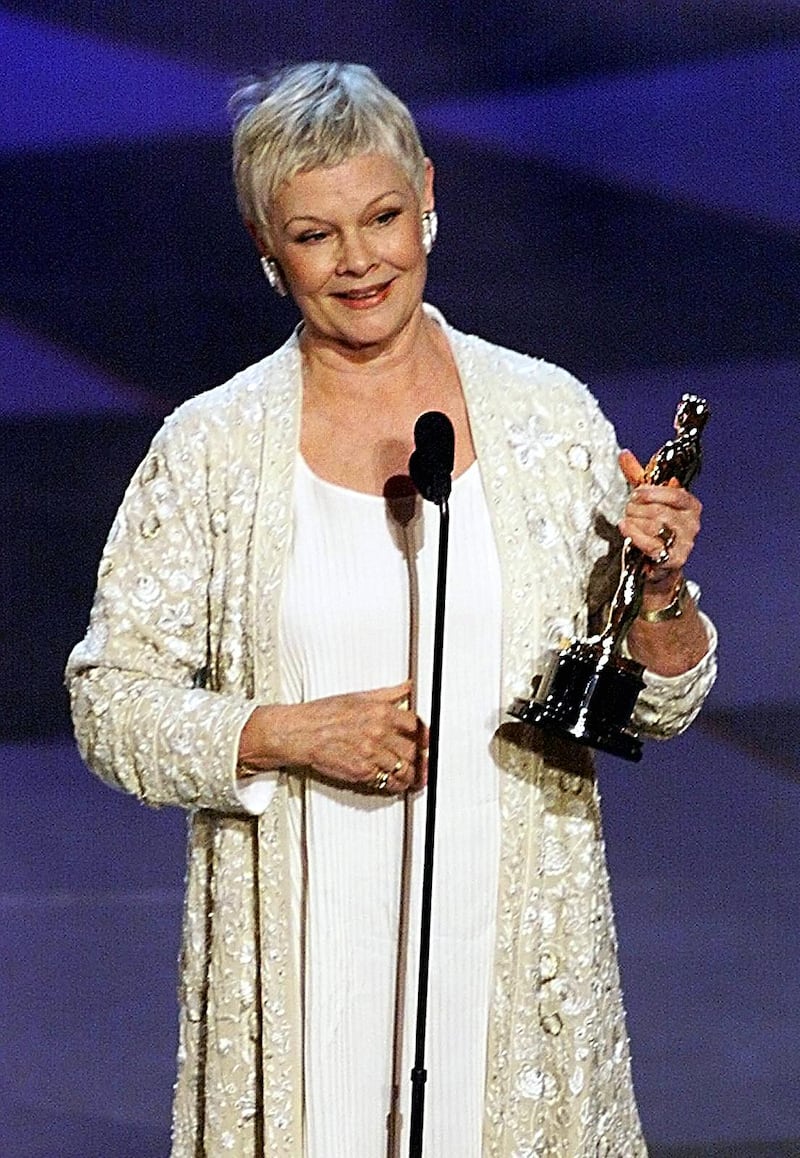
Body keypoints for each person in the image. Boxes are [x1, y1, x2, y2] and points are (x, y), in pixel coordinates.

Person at [66, 62, 717, 1158]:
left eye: (380, 217)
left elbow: (648, 707)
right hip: (309, 962)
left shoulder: (544, 419)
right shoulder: (211, 448)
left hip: (505, 960)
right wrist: (278, 732)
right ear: (267, 249)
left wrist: (657, 598)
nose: (359, 260)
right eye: (316, 234)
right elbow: (108, 702)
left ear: (426, 194)